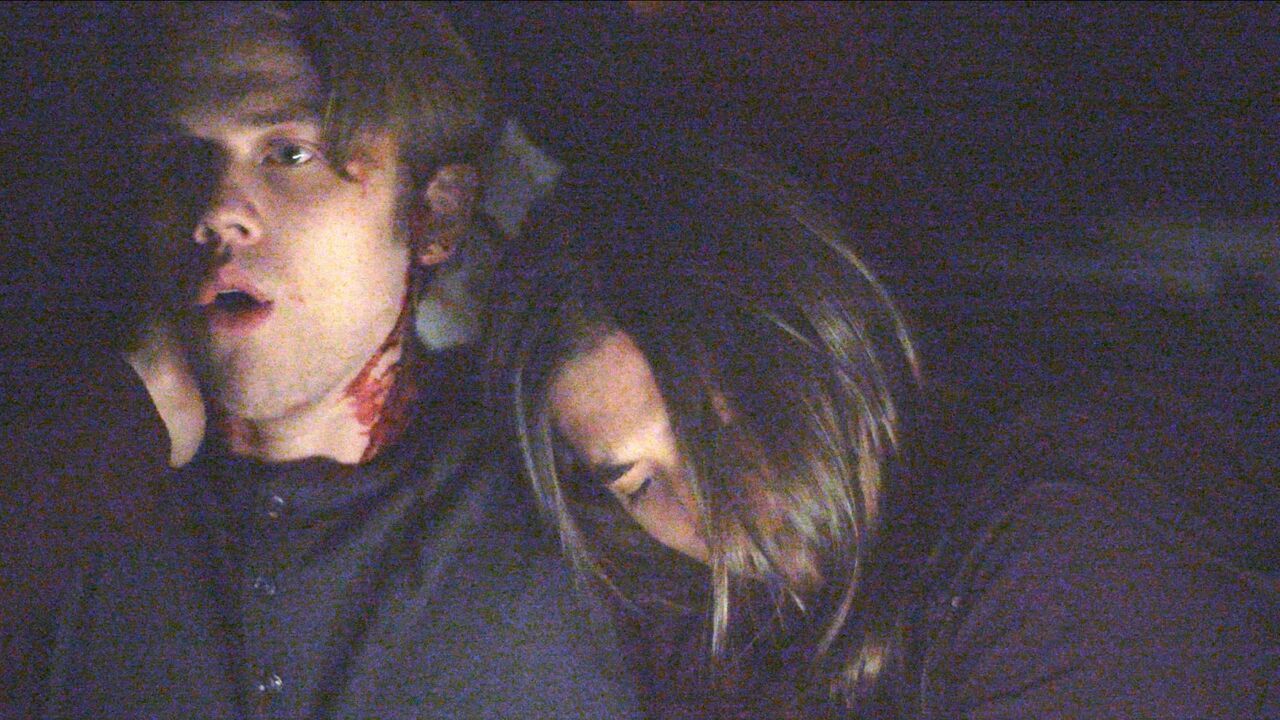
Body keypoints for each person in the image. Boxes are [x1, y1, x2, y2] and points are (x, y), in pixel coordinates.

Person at [0, 4, 640, 718]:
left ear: (435, 214)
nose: (214, 210)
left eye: (288, 155)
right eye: (183, 160)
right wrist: (106, 435)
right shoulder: (69, 488)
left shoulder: (567, 496)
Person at [486, 144, 1279, 718]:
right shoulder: (694, 609)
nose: (713, 517)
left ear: (820, 336)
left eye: (722, 430)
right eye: (639, 484)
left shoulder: (1061, 561)